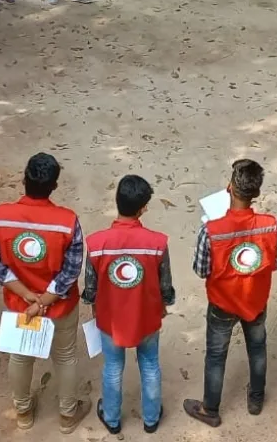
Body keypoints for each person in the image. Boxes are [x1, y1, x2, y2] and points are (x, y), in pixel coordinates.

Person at [0, 153, 91, 432]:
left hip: (20, 303)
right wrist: (44, 299)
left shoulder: (0, 216)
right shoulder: (67, 221)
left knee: (20, 356)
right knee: (65, 356)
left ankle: (23, 413)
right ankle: (68, 415)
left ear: (24, 179)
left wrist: (27, 296)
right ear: (54, 186)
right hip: (59, 305)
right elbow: (71, 269)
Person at [183, 159, 277, 428]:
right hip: (256, 300)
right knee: (258, 349)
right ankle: (256, 399)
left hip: (222, 303)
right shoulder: (270, 225)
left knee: (216, 355)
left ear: (229, 187)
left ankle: (210, 408)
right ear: (256, 193)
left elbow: (201, 269)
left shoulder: (211, 229)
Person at [83, 175, 174, 435]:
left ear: (117, 201)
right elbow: (165, 282)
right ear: (143, 207)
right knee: (150, 364)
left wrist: (92, 305)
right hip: (146, 316)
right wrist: (165, 303)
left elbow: (91, 287)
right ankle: (151, 418)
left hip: (110, 318)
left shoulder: (97, 243)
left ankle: (111, 418)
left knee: (112, 367)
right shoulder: (157, 243)